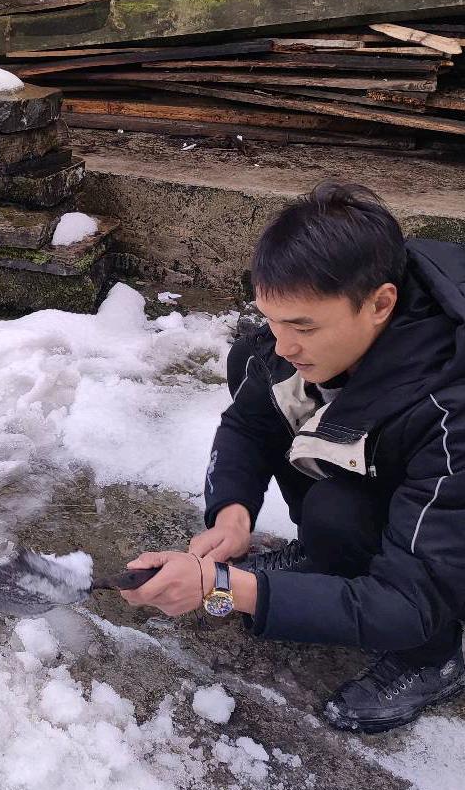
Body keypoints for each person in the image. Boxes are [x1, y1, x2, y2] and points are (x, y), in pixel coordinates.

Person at [120, 181, 465, 734]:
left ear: (381, 303)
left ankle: (437, 657)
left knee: (342, 518)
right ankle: (332, 561)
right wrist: (232, 512)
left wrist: (226, 589)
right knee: (255, 370)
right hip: (408, 473)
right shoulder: (309, 332)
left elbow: (407, 600)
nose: (283, 343)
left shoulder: (450, 407)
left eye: (303, 327)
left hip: (449, 536)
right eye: (273, 319)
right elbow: (248, 423)